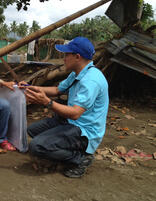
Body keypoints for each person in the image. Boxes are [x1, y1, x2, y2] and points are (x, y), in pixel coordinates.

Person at [20, 37, 109, 178]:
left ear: (77, 57)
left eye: (66, 55)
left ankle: (80, 158)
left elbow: (75, 114)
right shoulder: (77, 73)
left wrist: (47, 102)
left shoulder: (91, 81)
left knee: (36, 146)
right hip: (71, 121)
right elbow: (57, 90)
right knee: (32, 130)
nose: (64, 59)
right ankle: (59, 148)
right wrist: (31, 87)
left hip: (84, 130)